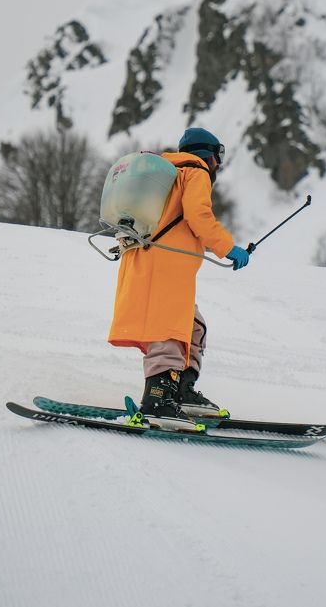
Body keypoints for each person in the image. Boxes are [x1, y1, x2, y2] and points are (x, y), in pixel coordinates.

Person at [107, 127, 250, 422]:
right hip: (166, 267)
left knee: (193, 326)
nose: (218, 163)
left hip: (141, 261)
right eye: (218, 155)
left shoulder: (164, 176)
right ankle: (158, 398)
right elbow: (198, 215)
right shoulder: (195, 172)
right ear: (208, 154)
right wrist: (227, 247)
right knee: (169, 329)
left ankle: (181, 390)